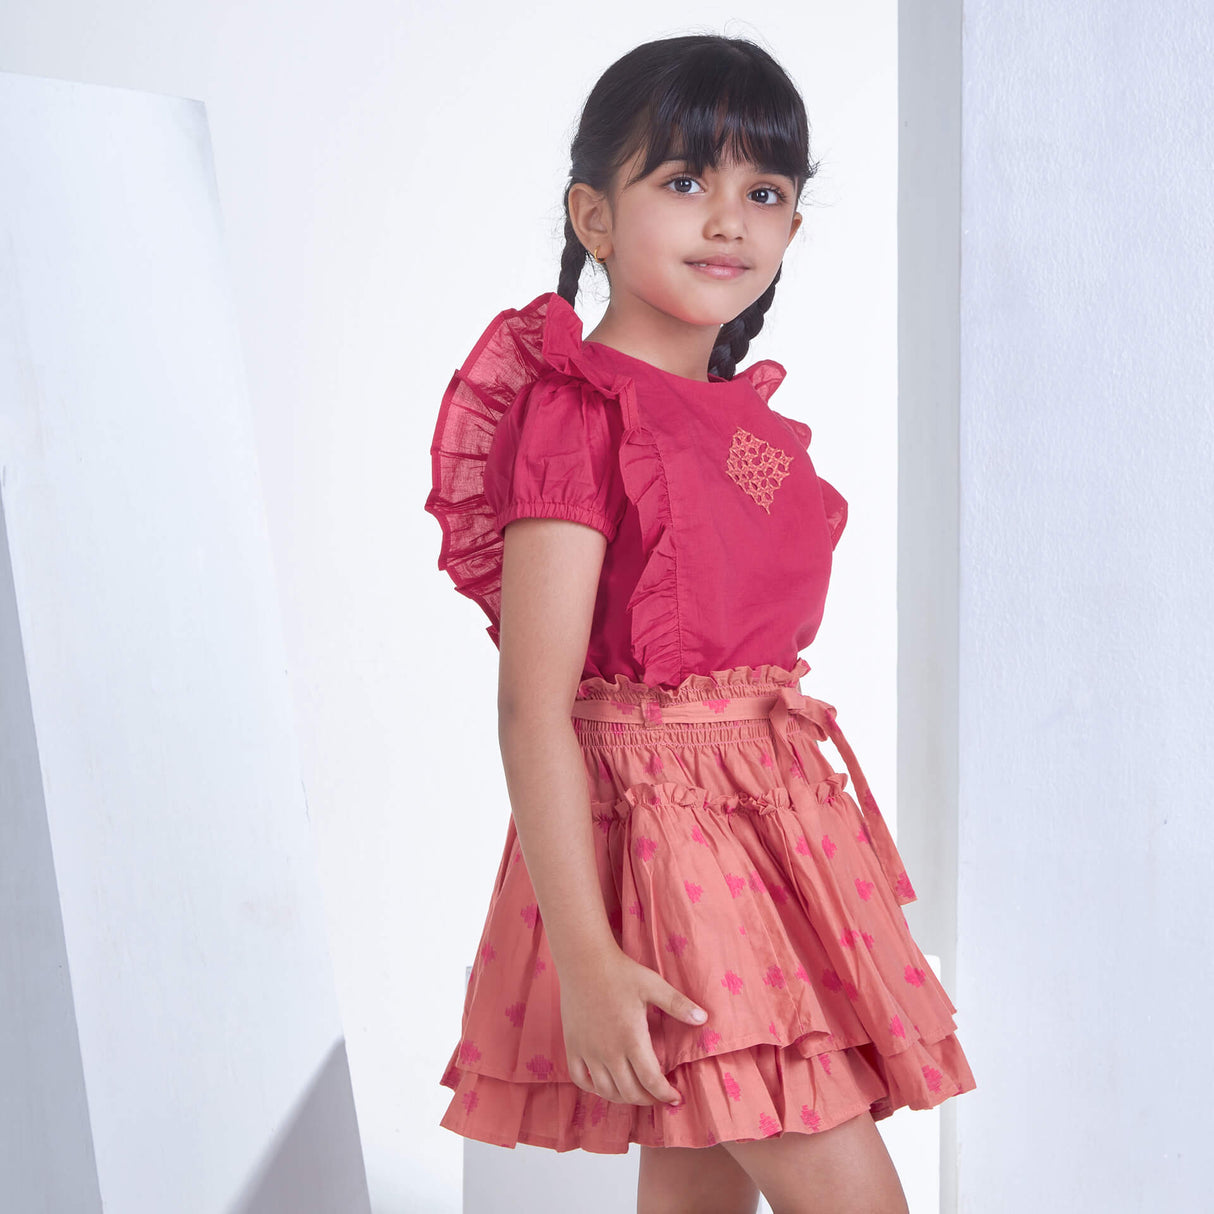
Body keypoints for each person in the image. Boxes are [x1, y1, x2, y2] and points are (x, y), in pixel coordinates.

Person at [424, 32, 976, 1214]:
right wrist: (585, 956)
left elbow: (747, 581)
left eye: (762, 193)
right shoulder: (576, 412)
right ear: (593, 215)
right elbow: (532, 703)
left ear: (790, 227)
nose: (728, 220)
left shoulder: (749, 434)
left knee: (700, 1182)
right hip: (669, 845)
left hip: (773, 827)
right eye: (683, 181)